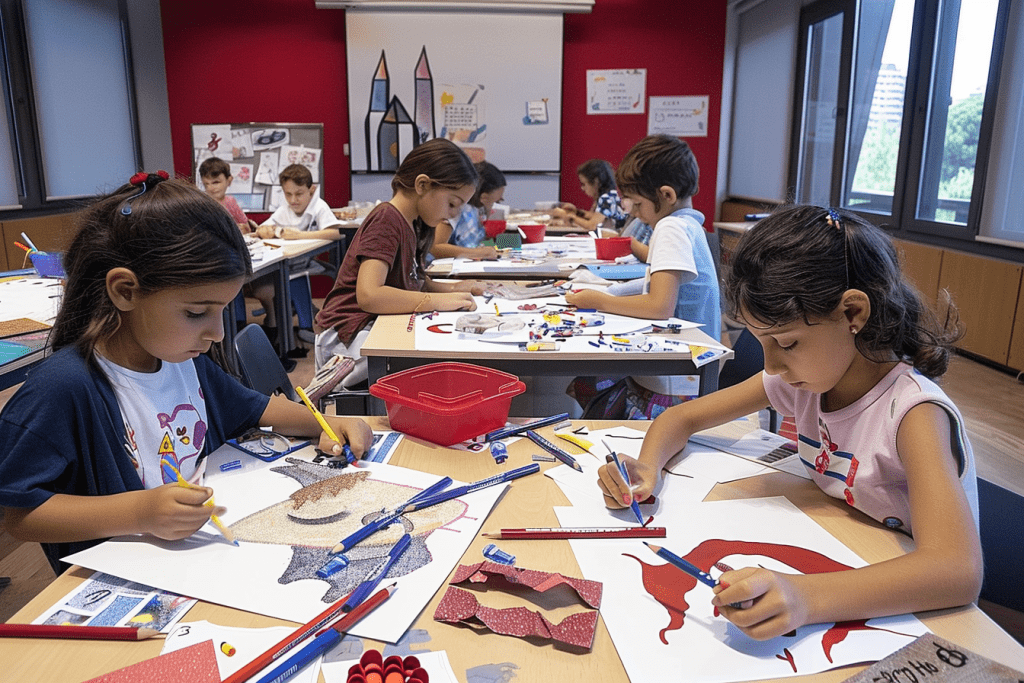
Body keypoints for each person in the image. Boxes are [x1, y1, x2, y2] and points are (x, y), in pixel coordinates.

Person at [598, 205, 982, 640]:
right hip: (849, 549)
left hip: (914, 610)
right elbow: (682, 417)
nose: (772, 365)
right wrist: (648, 468)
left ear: (853, 314)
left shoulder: (913, 414)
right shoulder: (807, 381)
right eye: (762, 343)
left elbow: (957, 570)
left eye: (786, 343)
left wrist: (805, 598)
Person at [0, 173, 373, 574]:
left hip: (207, 562)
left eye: (223, 310)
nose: (217, 333)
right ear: (125, 291)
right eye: (196, 313)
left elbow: (255, 408)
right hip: (132, 578)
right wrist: (139, 512)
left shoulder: (183, 360)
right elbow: (18, 516)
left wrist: (330, 424)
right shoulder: (64, 388)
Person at [565, 135, 720, 419]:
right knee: (593, 379)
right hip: (688, 368)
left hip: (677, 380)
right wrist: (611, 292)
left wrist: (599, 300)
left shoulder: (670, 227)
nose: (635, 213)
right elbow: (656, 282)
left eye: (637, 205)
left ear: (667, 195)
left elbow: (659, 307)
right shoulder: (689, 224)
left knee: (591, 381)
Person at [314, 138, 485, 387]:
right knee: (433, 367)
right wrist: (436, 300)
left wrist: (454, 290)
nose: (454, 213)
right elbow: (370, 295)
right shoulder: (387, 219)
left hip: (370, 327)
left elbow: (415, 281)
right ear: (422, 185)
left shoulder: (415, 223)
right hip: (344, 339)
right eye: (452, 203)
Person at [252, 164, 343, 360]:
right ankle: (278, 328)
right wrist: (263, 230)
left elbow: (334, 233)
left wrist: (301, 235)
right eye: (288, 194)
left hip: (304, 263)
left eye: (299, 194)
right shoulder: (285, 209)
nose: (293, 200)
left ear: (311, 190)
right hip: (286, 262)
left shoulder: (319, 206)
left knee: (291, 279)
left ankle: (302, 325)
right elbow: (263, 228)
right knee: (265, 285)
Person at [430, 161, 505, 261]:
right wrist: (478, 253)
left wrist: (517, 241)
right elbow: (435, 247)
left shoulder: (477, 211)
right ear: (483, 197)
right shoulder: (456, 209)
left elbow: (480, 241)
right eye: (497, 202)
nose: (494, 207)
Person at [552, 159, 628, 233]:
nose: (582, 188)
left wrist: (568, 216)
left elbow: (592, 225)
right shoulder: (610, 195)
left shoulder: (607, 198)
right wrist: (576, 212)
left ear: (596, 181)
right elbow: (595, 216)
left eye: (584, 184)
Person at [198, 156, 258, 234]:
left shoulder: (231, 202)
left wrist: (243, 229)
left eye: (215, 182)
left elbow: (247, 228)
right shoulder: (201, 204)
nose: (210, 188)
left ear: (229, 181)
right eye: (206, 184)